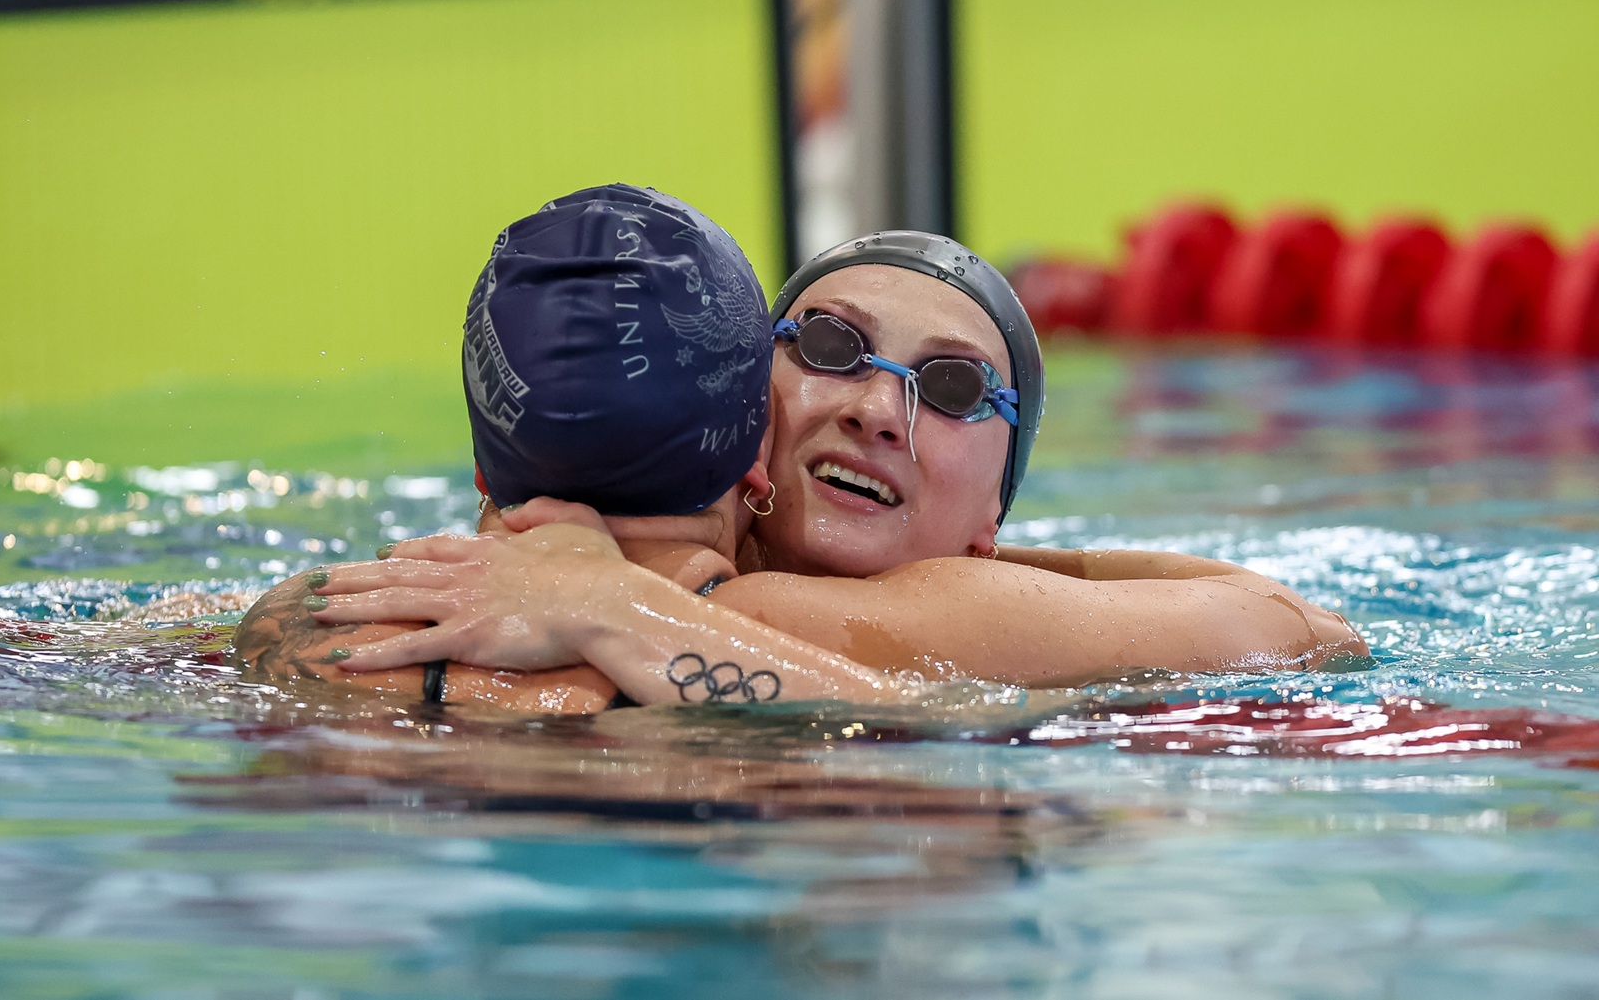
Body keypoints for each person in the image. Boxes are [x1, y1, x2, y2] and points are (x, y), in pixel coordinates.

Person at [317, 231, 1366, 690]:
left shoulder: (972, 607)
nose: (876, 410)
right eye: (829, 345)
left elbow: (1304, 632)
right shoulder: (532, 571)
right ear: (740, 402)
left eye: (952, 389)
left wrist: (997, 582)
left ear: (993, 514)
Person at [234, 184, 896, 710]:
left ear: (482, 466)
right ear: (757, 452)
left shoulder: (311, 624)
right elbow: (936, 722)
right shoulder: (867, 635)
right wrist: (609, 609)